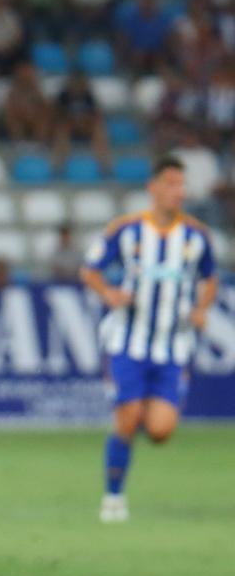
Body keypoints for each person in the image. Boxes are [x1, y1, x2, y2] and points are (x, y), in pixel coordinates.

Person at [80, 156, 217, 523]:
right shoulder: (126, 230)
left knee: (159, 430)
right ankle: (113, 498)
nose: (178, 191)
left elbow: (211, 278)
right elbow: (90, 270)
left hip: (173, 346)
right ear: (153, 187)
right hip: (128, 341)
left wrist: (202, 307)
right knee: (127, 419)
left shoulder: (197, 236)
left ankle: (140, 413)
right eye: (171, 183)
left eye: (181, 184)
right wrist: (109, 293)